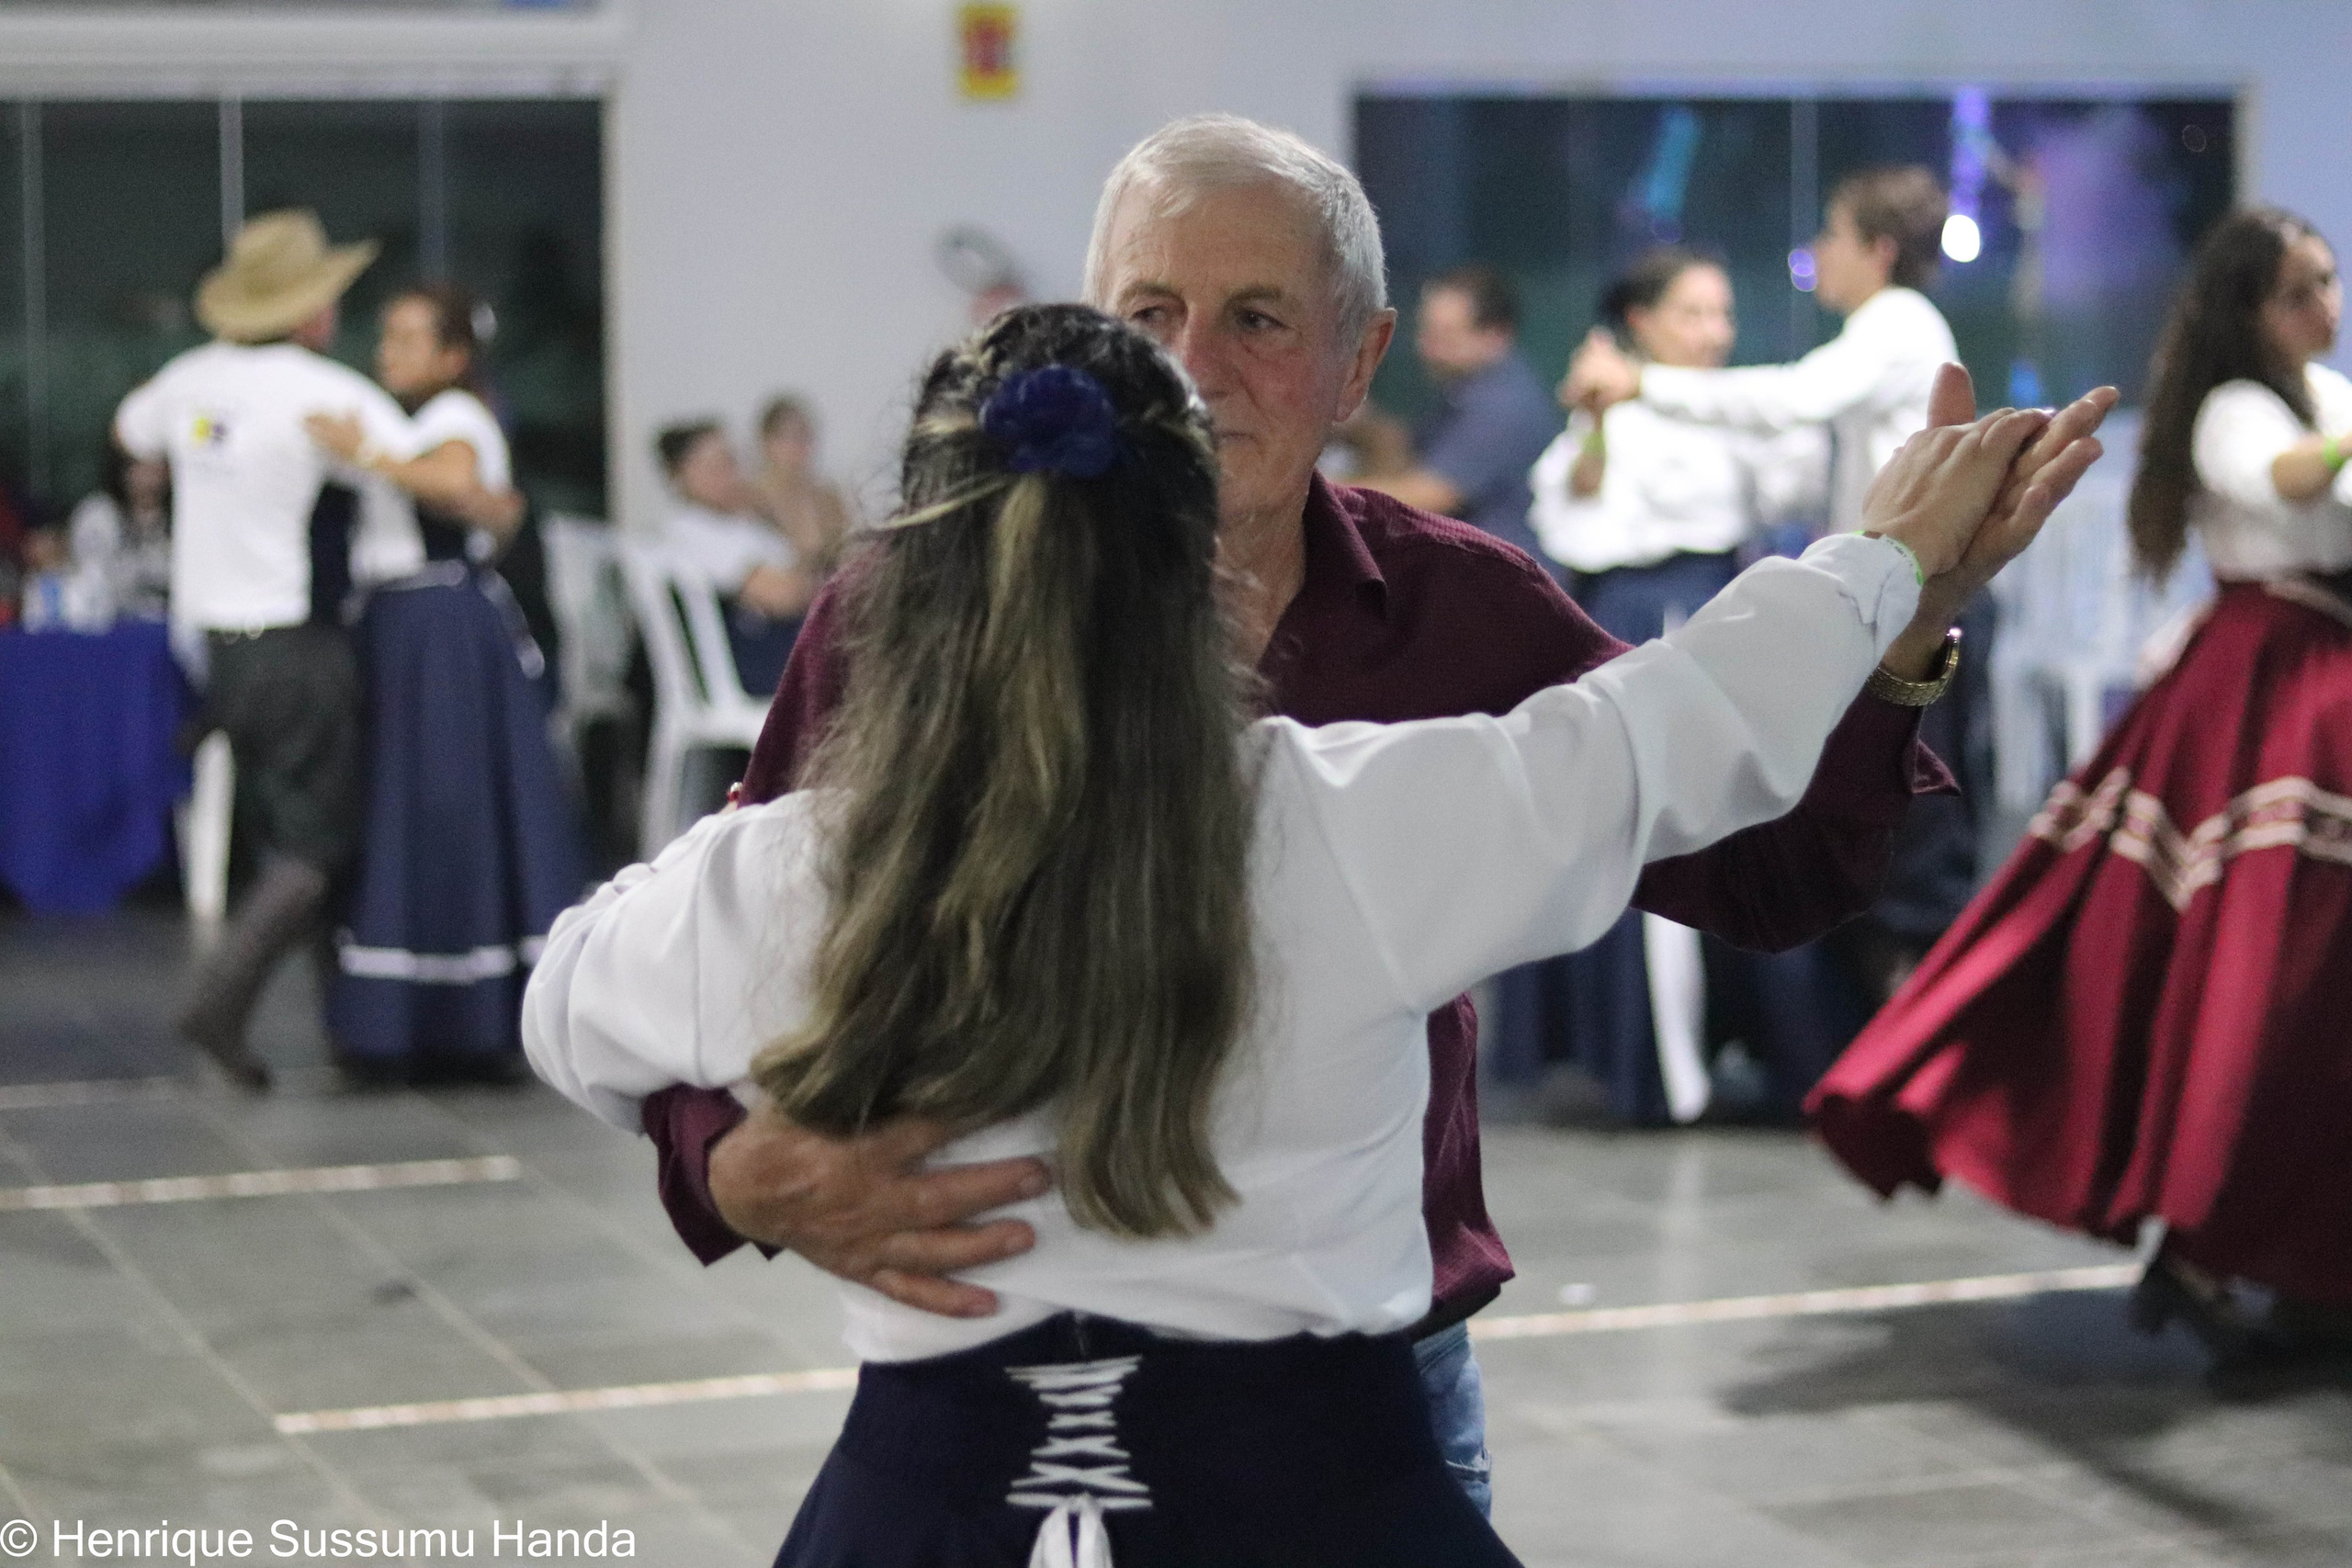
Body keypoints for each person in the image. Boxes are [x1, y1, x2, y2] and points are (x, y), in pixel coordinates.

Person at [639, 115, 2109, 1517]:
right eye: (1144, 313)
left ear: (1361, 363)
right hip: (988, 1367)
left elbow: (1769, 874)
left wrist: (1907, 635)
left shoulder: (1456, 608)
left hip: (1358, 1389)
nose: (1191, 370)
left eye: (1260, 322)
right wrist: (730, 1160)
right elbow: (720, 934)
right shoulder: (911, 606)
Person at [1808, 207, 2352, 1367]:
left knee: (2316, 992)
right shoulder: (2237, 410)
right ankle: (2209, 1237)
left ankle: (2306, 1255)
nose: (2323, 308)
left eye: (2329, 282)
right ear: (2248, 308)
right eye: (2300, 289)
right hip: (2266, 701)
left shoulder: (2333, 394)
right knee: (2259, 975)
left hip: (2325, 688)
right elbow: (2287, 476)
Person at [1566, 165, 1992, 1021]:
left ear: (1874, 250)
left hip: (1916, 604)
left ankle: (1927, 1049)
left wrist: (1644, 384)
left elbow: (1797, 400)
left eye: (1829, 236)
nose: (1817, 256)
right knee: (1886, 815)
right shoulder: (1888, 333)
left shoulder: (1897, 323)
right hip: (1892, 599)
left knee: (1912, 829)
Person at [1506, 246, 1829, 1123]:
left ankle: (1771, 1047)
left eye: (1722, 314)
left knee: (1753, 823)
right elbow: (1577, 506)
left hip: (1728, 613)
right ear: (1642, 323)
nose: (1715, 333)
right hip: (1640, 625)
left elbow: (1794, 480)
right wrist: (1602, 410)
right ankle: (1652, 1067)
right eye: (1693, 314)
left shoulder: (1733, 408)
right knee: (1648, 838)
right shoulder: (1604, 415)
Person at [114, 209, 424, 1089]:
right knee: (318, 843)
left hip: (216, 643)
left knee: (288, 823)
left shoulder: (186, 381)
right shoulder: (319, 392)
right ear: (313, 309)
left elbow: (131, 432)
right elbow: (414, 463)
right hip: (293, 636)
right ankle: (221, 998)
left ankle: (346, 1023)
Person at [303, 282, 589, 1085]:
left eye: (407, 337)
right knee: (410, 808)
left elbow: (461, 491)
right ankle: (421, 1015)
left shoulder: (455, 420)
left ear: (454, 356)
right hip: (403, 628)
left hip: (440, 631)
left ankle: (463, 1016)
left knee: (441, 805)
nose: (388, 351)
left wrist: (363, 451)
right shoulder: (412, 424)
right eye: (385, 336)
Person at [1343, 264, 1563, 566]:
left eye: (1445, 336)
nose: (1427, 348)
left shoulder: (1500, 404)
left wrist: (1309, 489)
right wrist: (1363, 424)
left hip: (1503, 589)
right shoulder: (1466, 391)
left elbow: (1428, 495)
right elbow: (1410, 454)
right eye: (1425, 332)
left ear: (1495, 335)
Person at [653, 420, 816, 695]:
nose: (729, 474)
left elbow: (807, 578)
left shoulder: (747, 527)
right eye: (715, 465)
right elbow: (782, 595)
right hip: (754, 663)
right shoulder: (690, 531)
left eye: (731, 461)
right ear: (680, 474)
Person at [66, 439, 174, 624]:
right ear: (123, 470)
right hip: (111, 625)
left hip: (168, 626)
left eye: (157, 467)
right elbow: (91, 580)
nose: (150, 477)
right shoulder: (98, 514)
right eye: (140, 466)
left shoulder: (182, 519)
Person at [751, 394, 856, 581]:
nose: (799, 446)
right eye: (788, 437)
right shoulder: (753, 498)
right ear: (766, 442)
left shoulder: (827, 496)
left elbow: (847, 551)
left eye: (805, 436)